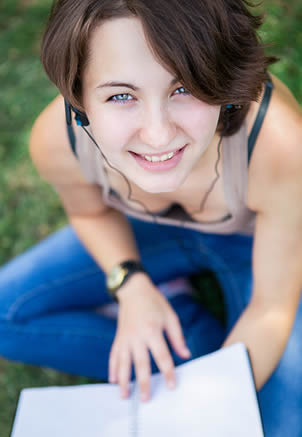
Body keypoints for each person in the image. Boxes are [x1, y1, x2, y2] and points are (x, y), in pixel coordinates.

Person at [0, 0, 302, 434]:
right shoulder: (57, 139)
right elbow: (89, 212)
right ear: (78, 97)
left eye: (184, 88)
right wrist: (131, 284)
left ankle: (187, 346)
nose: (158, 134)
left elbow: (271, 309)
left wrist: (199, 410)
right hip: (143, 233)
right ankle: (180, 320)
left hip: (252, 247)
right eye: (122, 96)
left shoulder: (280, 145)